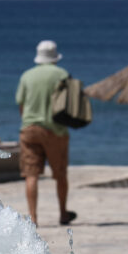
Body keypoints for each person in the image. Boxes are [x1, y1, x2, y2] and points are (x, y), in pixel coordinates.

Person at [16, 40, 75, 226]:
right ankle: (63, 214)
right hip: (56, 130)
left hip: (30, 129)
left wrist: (27, 121)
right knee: (60, 174)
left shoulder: (27, 76)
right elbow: (70, 104)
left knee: (31, 174)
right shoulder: (63, 74)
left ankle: (33, 217)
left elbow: (21, 103)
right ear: (55, 57)